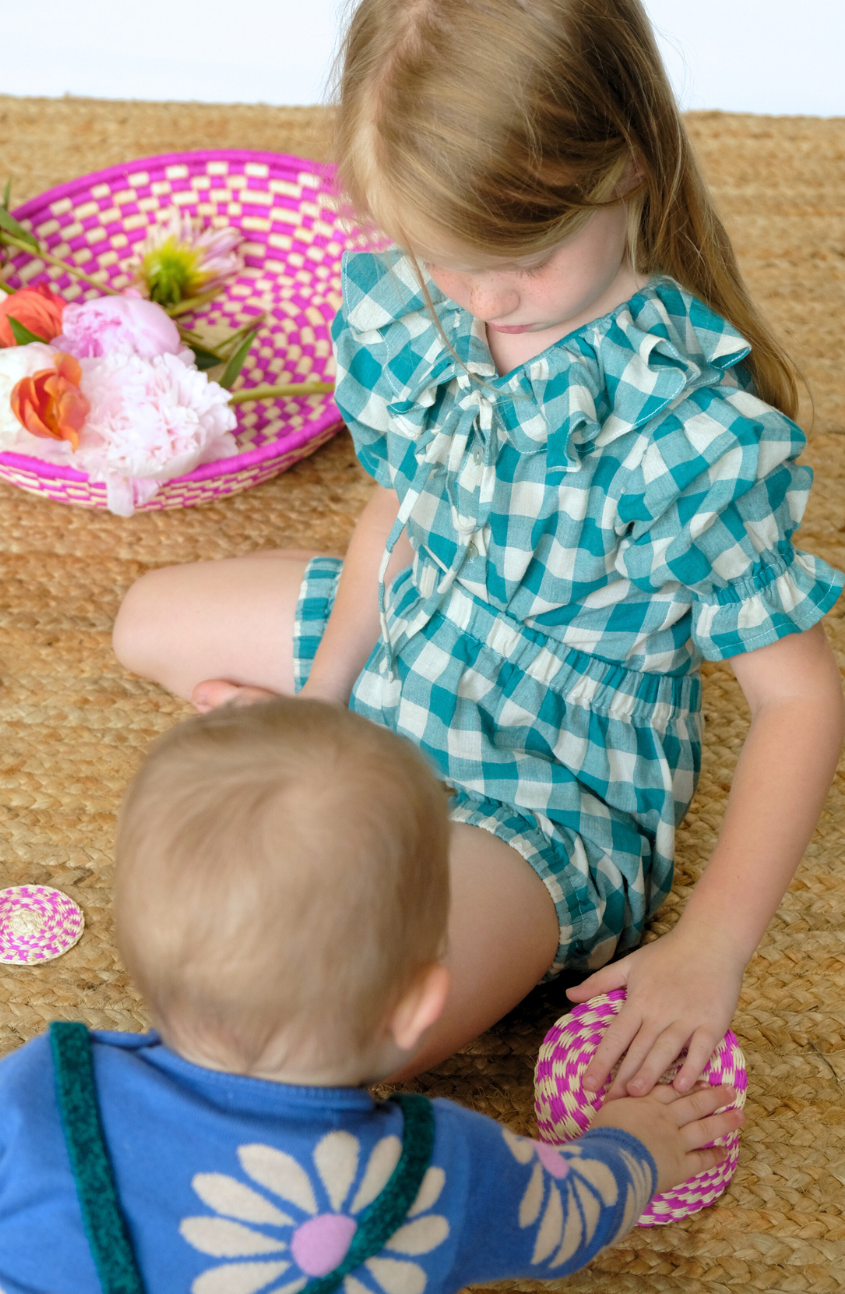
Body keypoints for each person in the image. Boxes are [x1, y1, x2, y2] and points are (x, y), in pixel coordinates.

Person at [114, 0, 845, 1098]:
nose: (486, 298)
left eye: (527, 259)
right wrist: (323, 697)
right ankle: (345, 772)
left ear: (631, 167)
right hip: (421, 634)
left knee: (337, 1046)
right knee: (149, 624)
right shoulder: (422, 308)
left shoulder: (685, 438)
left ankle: (385, 835)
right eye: (449, 261)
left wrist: (712, 948)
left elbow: (800, 702)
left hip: (548, 784)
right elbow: (397, 511)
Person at [0, 701, 741, 1294]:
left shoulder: (36, 1096)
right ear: (419, 1000)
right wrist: (641, 1148)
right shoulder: (442, 1171)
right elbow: (566, 1221)